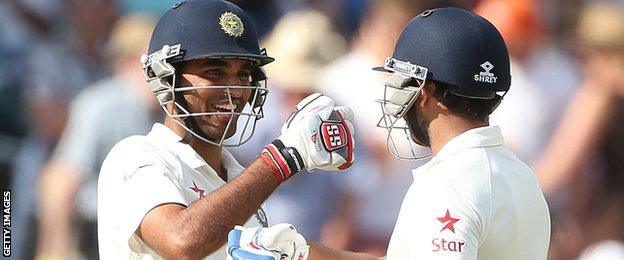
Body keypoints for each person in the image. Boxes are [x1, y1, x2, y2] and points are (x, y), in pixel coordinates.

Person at [227, 7, 551, 260]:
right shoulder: (520, 175)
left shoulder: (451, 184)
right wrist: (302, 251)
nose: (395, 96)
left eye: (401, 83)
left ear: (425, 90)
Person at [97, 0, 355, 259]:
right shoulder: (135, 156)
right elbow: (182, 241)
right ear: (166, 78)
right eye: (214, 72)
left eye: (244, 74)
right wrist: (283, 158)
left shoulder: (237, 176)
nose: (237, 91)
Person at [35, 14, 160, 259]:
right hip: (97, 233)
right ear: (128, 61)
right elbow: (60, 181)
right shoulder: (99, 105)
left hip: (152, 232)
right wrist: (54, 253)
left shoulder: (171, 108)